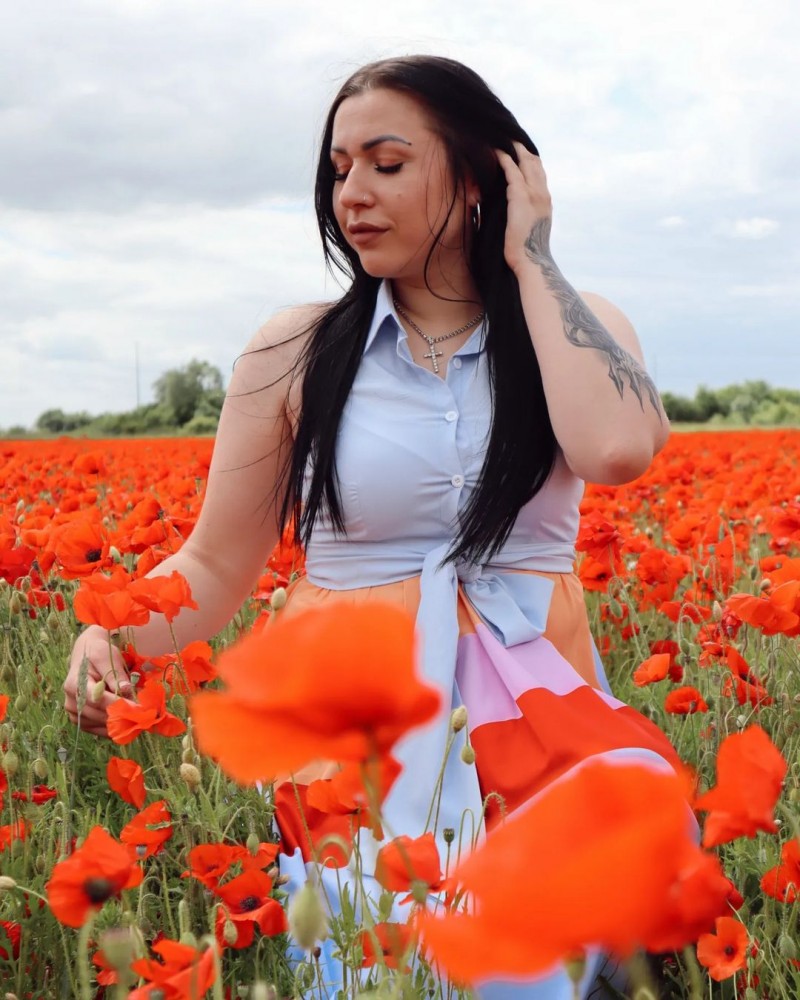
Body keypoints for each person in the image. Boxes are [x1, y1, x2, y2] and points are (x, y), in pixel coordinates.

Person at [65, 55, 679, 997]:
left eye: (387, 164)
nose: (352, 193)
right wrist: (111, 632)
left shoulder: (573, 324)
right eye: (340, 169)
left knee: (539, 950)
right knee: (385, 957)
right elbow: (216, 563)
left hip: (540, 723)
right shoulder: (295, 351)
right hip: (356, 734)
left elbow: (617, 449)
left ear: (479, 177)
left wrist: (535, 257)